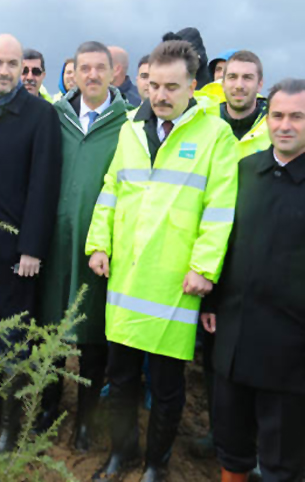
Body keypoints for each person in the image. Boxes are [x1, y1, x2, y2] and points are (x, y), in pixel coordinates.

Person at [86, 40, 238, 481]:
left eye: (172, 86)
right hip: (126, 279)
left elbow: (220, 207)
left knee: (168, 388)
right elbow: (111, 188)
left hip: (175, 284)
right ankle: (122, 454)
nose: (161, 95)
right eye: (154, 85)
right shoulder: (131, 131)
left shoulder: (214, 136)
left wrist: (204, 267)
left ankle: (156, 463)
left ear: (194, 86)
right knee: (122, 378)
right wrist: (99, 244)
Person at [201, 78, 305, 482]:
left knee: (283, 460)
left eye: (297, 117)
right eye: (278, 115)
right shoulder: (244, 171)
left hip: (292, 350)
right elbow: (220, 238)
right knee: (232, 446)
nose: (285, 125)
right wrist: (211, 300)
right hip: (235, 336)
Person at [0, 34, 62, 455]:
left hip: (17, 253)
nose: (4, 71)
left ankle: (11, 425)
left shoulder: (40, 115)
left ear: (23, 67)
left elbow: (44, 186)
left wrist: (32, 248)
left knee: (14, 341)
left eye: (13, 63)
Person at [37, 41, 132, 451]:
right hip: (55, 240)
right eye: (83, 68)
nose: (91, 75)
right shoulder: (53, 117)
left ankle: (86, 418)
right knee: (51, 324)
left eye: (99, 68)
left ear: (114, 74)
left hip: (100, 246)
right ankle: (49, 404)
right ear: (72, 73)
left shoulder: (127, 124)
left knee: (93, 334)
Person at [191, 49, 269, 459]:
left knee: (257, 355)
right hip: (212, 250)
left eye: (247, 78)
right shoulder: (206, 123)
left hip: (258, 253)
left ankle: (255, 444)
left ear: (260, 83)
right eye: (232, 77)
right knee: (215, 353)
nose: (238, 85)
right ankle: (220, 435)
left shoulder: (274, 126)